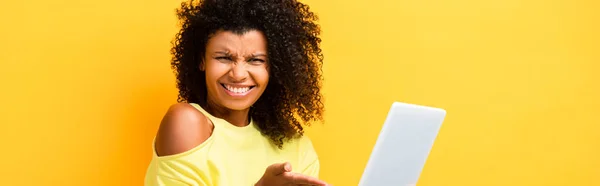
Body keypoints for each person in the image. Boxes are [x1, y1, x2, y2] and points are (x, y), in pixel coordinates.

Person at [144, 0, 329, 185]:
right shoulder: (187, 123)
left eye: (255, 60)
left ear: (274, 67)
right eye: (224, 58)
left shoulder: (297, 147)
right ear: (202, 61)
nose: (238, 74)